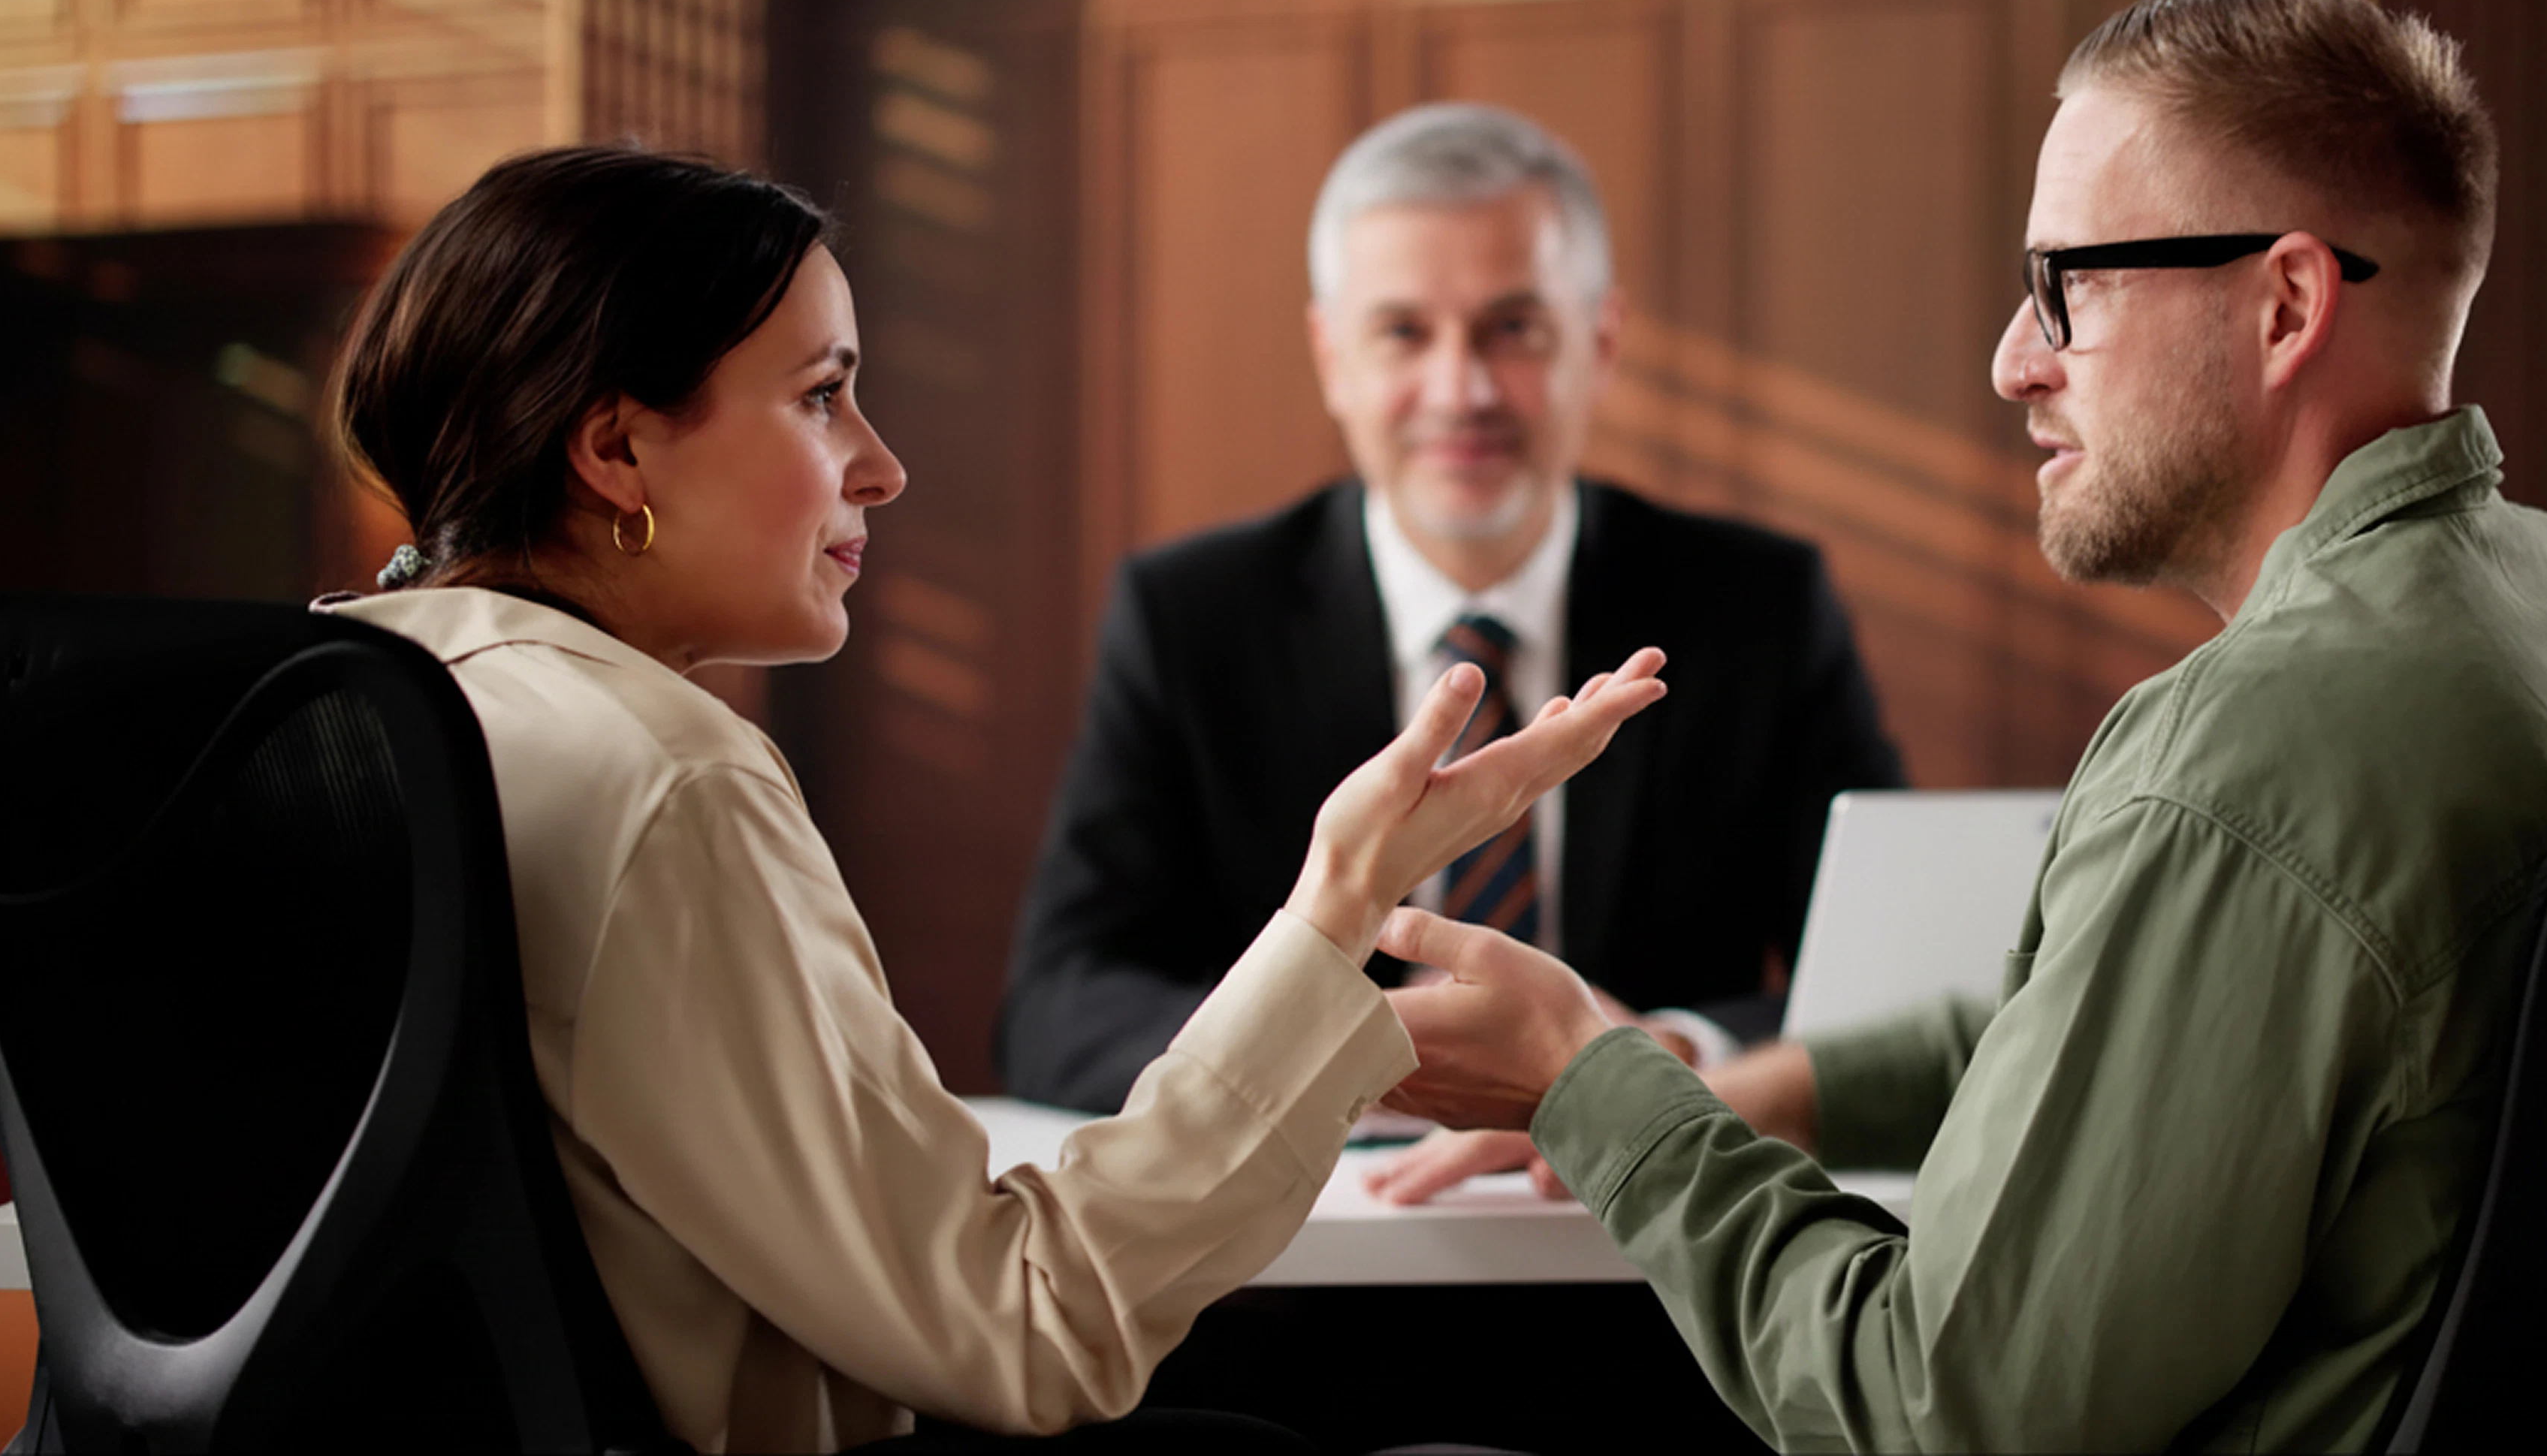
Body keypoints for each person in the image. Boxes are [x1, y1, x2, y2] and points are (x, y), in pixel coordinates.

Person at [1370, 0, 2547, 1451]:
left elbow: (1937, 1407)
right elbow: (2186, 1041)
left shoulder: (2247, 758)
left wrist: (1594, 1094)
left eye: (2065, 287)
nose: (2011, 361)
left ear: (2283, 303)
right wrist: (1758, 1084)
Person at [316, 144, 1666, 1454]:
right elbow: (1022, 1328)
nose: (880, 465)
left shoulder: (326, 705)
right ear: (616, 452)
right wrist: (1340, 908)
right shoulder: (664, 779)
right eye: (820, 397)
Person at [995, 102, 1905, 1153]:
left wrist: (1669, 1053)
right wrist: (1363, 1053)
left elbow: (1887, 982)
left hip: (1658, 1259)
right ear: (1333, 357)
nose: (1461, 390)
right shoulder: (1191, 618)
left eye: (1513, 330)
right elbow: (1059, 1006)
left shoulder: (1760, 607)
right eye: (1404, 334)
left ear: (1600, 345)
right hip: (1314, 1267)